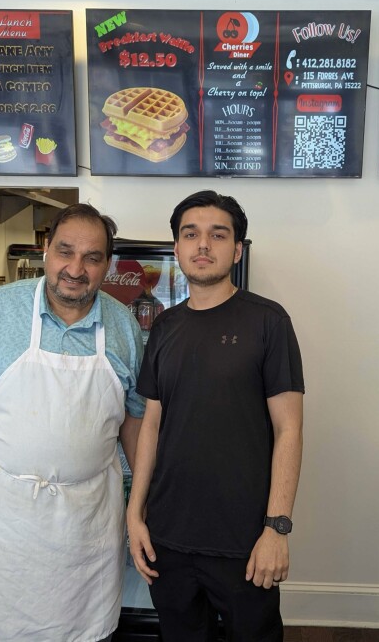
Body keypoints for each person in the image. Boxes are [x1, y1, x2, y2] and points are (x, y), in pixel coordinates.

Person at [0, 204, 145, 642]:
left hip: (89, 523)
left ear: (108, 265)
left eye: (92, 257)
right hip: (4, 522)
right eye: (65, 252)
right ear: (46, 250)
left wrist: (142, 503)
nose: (75, 269)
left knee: (85, 632)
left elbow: (133, 422)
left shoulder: (123, 327)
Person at [126, 190, 305, 641]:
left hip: (243, 538)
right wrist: (135, 514)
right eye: (191, 234)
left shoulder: (268, 321)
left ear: (237, 249)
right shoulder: (164, 326)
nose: (203, 245)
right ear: (178, 248)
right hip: (168, 534)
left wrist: (277, 528)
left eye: (217, 235)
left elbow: (290, 429)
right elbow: (151, 423)